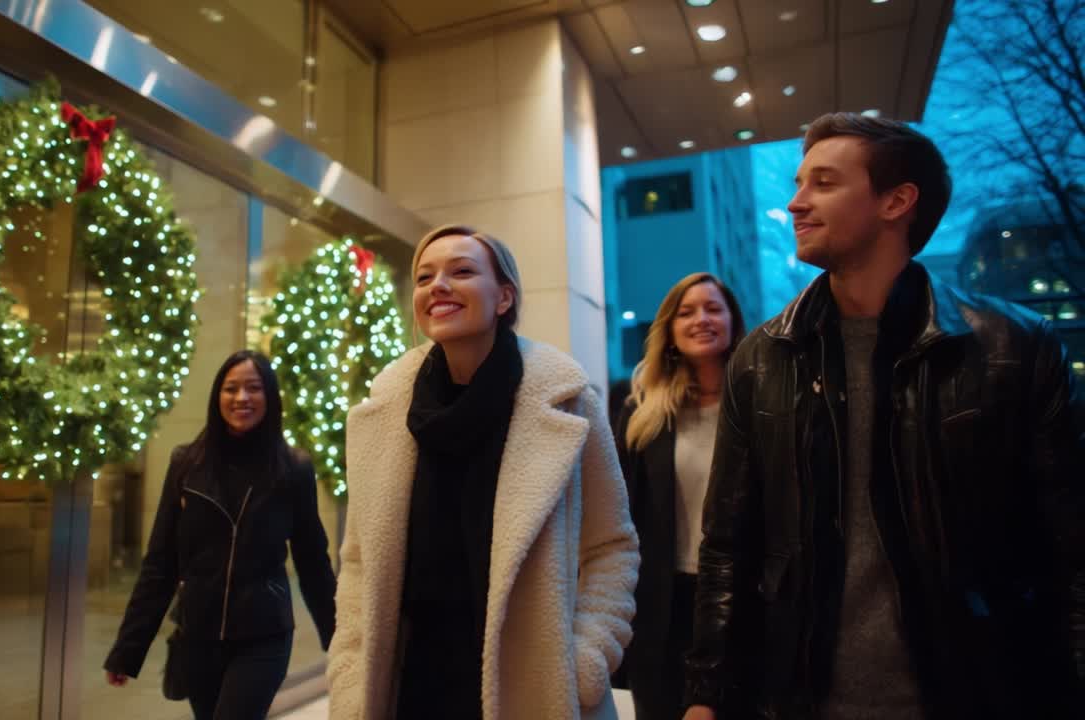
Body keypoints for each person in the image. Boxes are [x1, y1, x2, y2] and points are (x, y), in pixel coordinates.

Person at [682, 113, 1085, 720]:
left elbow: (1071, 547)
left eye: (823, 183)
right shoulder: (763, 358)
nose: (796, 203)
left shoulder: (1013, 348)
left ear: (897, 201)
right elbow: (727, 548)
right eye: (797, 183)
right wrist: (706, 698)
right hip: (801, 699)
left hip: (977, 693)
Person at [326, 224, 640, 720]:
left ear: (504, 298)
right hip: (411, 687)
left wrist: (585, 661)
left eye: (462, 271)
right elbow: (360, 562)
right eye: (425, 277)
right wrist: (349, 672)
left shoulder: (569, 403)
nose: (438, 287)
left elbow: (611, 547)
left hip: (531, 689)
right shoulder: (383, 414)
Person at [104, 350, 337, 720]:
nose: (241, 398)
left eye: (253, 388)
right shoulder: (187, 463)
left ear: (270, 397)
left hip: (264, 635)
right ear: (217, 397)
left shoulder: (293, 468)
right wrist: (127, 650)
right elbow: (160, 562)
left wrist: (338, 639)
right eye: (231, 389)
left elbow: (312, 560)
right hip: (198, 635)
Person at [614, 273, 744, 720]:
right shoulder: (642, 417)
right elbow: (618, 522)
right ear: (669, 330)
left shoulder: (762, 407)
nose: (701, 319)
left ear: (732, 320)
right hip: (662, 609)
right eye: (686, 312)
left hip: (743, 603)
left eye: (713, 308)